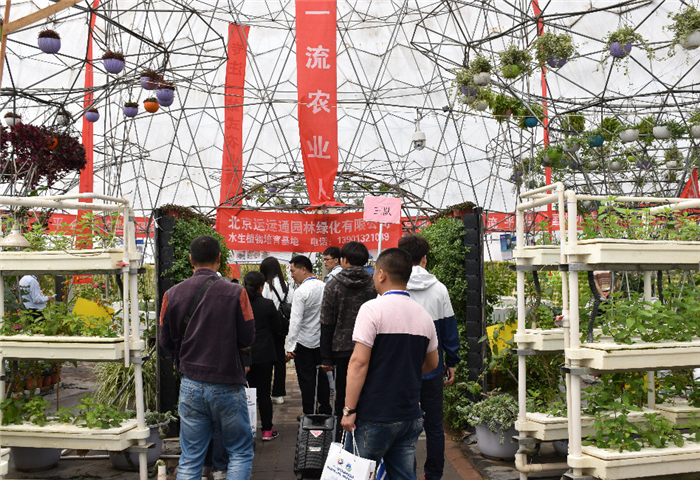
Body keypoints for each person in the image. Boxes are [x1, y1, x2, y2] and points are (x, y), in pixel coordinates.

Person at [159, 235, 255, 479]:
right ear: (219, 259)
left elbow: (165, 341)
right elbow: (247, 338)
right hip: (227, 384)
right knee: (240, 452)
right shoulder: (237, 293)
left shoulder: (171, 294)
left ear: (191, 260)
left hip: (190, 383)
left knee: (191, 457)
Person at [341, 248, 439, 479]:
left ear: (382, 274)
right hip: (409, 415)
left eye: (375, 272)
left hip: (374, 413)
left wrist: (349, 409)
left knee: (354, 474)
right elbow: (433, 362)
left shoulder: (372, 309)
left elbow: (358, 363)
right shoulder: (423, 315)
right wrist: (405, 372)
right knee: (403, 475)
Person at [399, 234, 461, 480]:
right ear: (424, 258)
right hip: (432, 367)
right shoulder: (439, 289)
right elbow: (449, 329)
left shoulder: (394, 287)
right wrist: (452, 362)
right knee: (434, 425)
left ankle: (406, 473)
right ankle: (433, 474)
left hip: (402, 370)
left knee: (404, 426)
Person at [320, 241, 377, 441]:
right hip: (369, 348)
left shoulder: (333, 285)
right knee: (367, 393)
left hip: (341, 349)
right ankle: (366, 439)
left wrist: (326, 357)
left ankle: (342, 443)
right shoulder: (374, 284)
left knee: (343, 397)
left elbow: (326, 323)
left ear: (343, 260)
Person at [285, 254, 331, 416]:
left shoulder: (301, 292)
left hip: (304, 343)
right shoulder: (325, 287)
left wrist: (289, 347)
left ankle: (309, 412)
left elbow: (295, 322)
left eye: (292, 270)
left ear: (303, 269)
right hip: (322, 342)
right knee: (322, 378)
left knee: (306, 379)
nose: (291, 275)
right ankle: (325, 409)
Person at [244, 271, 284, 441]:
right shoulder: (267, 305)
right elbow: (278, 327)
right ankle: (267, 430)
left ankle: (247, 431)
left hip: (244, 356)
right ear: (261, 287)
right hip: (265, 355)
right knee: (263, 394)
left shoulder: (239, 304)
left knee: (245, 393)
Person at [260, 256, 293, 405]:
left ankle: (264, 391)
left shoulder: (266, 286)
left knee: (266, 360)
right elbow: (290, 304)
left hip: (268, 326)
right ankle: (278, 394)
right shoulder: (286, 285)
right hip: (282, 326)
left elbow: (263, 305)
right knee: (280, 361)